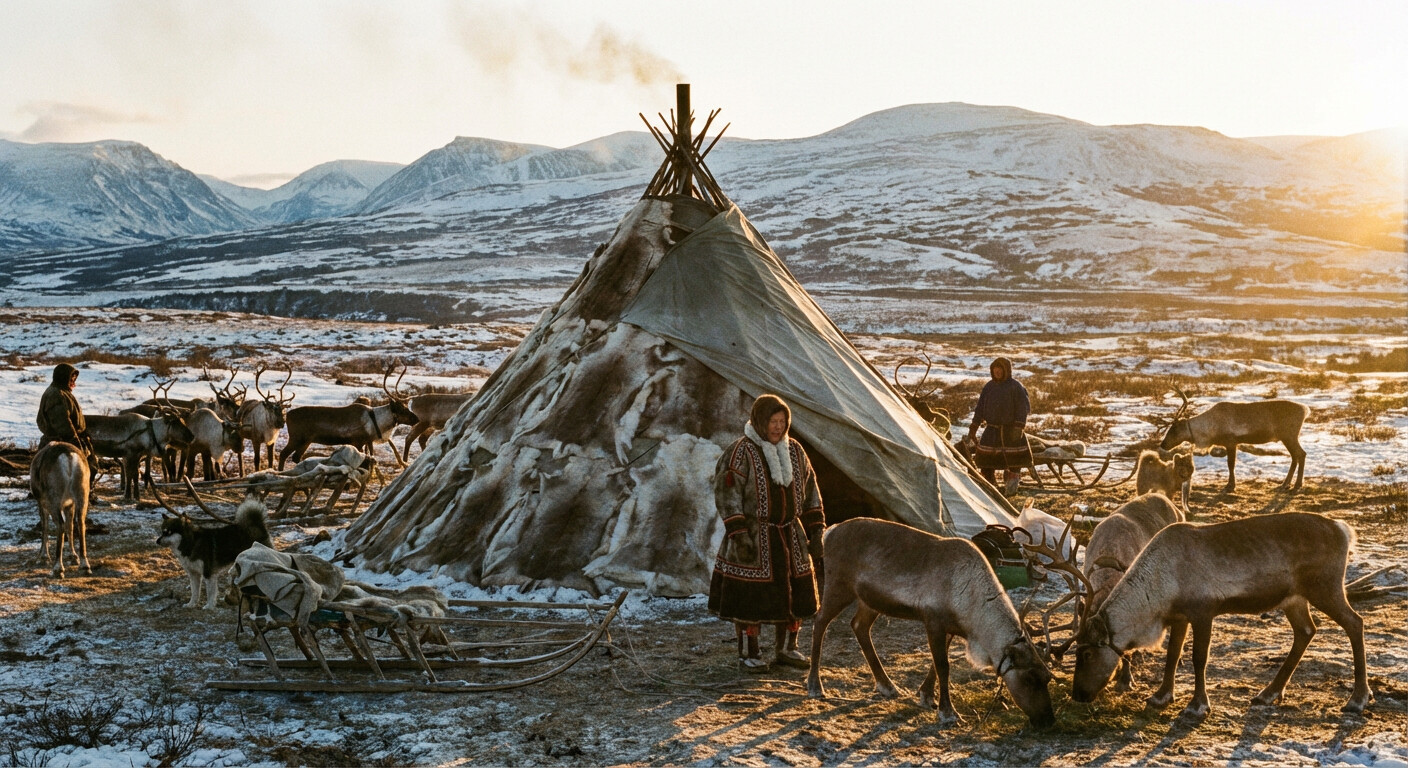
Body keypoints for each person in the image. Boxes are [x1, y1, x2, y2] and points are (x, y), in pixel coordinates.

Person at [709, 394, 826, 671]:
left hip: (790, 534)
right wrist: (738, 532)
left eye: (782, 421)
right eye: (773, 421)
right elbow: (728, 492)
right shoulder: (741, 452)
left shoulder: (795, 451)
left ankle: (788, 648)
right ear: (760, 421)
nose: (778, 427)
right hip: (753, 536)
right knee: (751, 599)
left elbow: (811, 492)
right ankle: (749, 652)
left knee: (795, 593)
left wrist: (816, 530)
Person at [967, 357, 1031, 495]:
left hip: (1011, 431)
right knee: (986, 463)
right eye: (995, 369)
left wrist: (1019, 427)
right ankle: (990, 489)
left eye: (1000, 368)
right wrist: (974, 426)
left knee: (1014, 463)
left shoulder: (1016, 387)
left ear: (1006, 370)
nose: (997, 371)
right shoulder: (989, 387)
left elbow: (1022, 408)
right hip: (992, 431)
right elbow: (980, 408)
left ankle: (1011, 490)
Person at [37, 363, 91, 456]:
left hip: (66, 441)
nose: (73, 381)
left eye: (74, 378)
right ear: (63, 377)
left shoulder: (62, 391)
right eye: (71, 378)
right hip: (61, 445)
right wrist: (76, 445)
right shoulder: (56, 394)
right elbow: (62, 424)